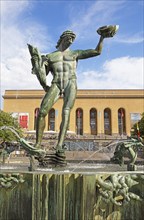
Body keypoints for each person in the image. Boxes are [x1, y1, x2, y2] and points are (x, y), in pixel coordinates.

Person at [28, 27, 118, 154]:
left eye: (73, 39)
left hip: (71, 82)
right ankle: (37, 144)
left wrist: (102, 37)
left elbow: (97, 51)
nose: (71, 40)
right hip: (56, 83)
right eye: (69, 38)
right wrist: (37, 62)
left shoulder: (75, 53)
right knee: (42, 111)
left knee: (66, 112)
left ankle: (59, 145)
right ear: (63, 38)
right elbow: (41, 74)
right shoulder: (50, 56)